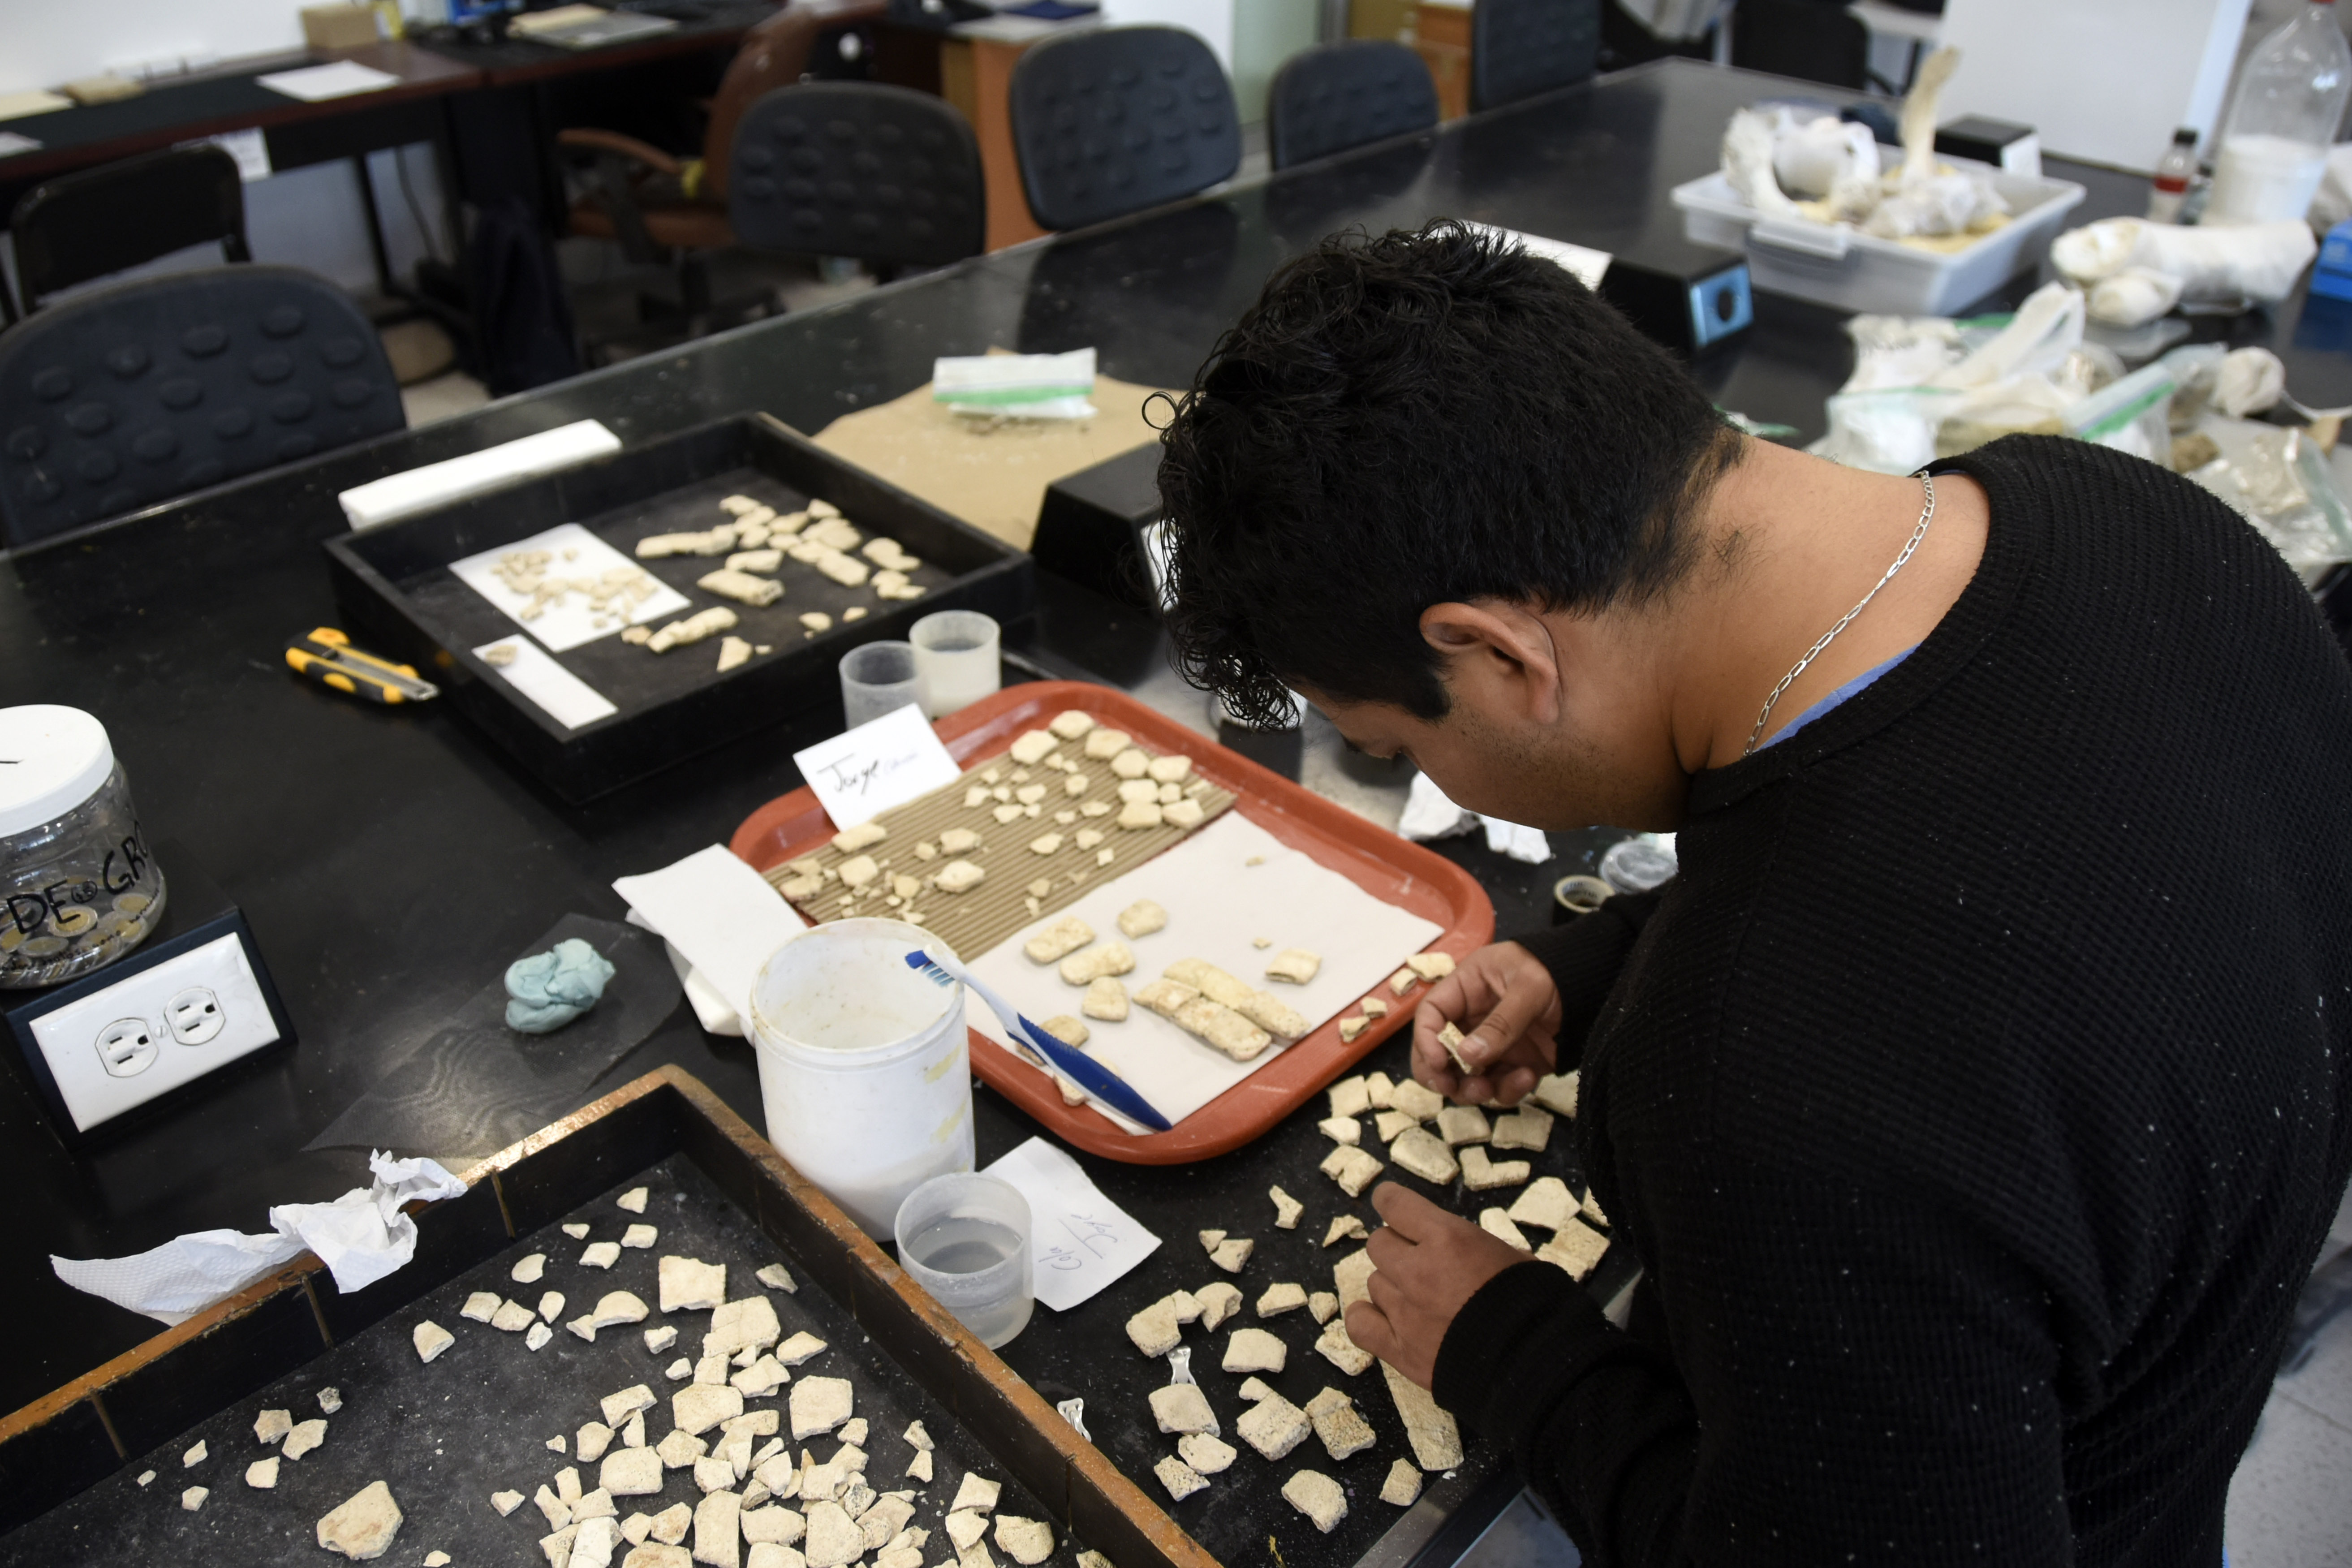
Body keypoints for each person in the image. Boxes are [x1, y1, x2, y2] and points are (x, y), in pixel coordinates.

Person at [1151, 220, 2352, 1565]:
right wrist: (1599, 967)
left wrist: (1513, 1353)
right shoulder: (2125, 512)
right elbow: (2023, 887)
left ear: (1497, 655)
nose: (1417, 772)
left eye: (1394, 745)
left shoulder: (1765, 1078)